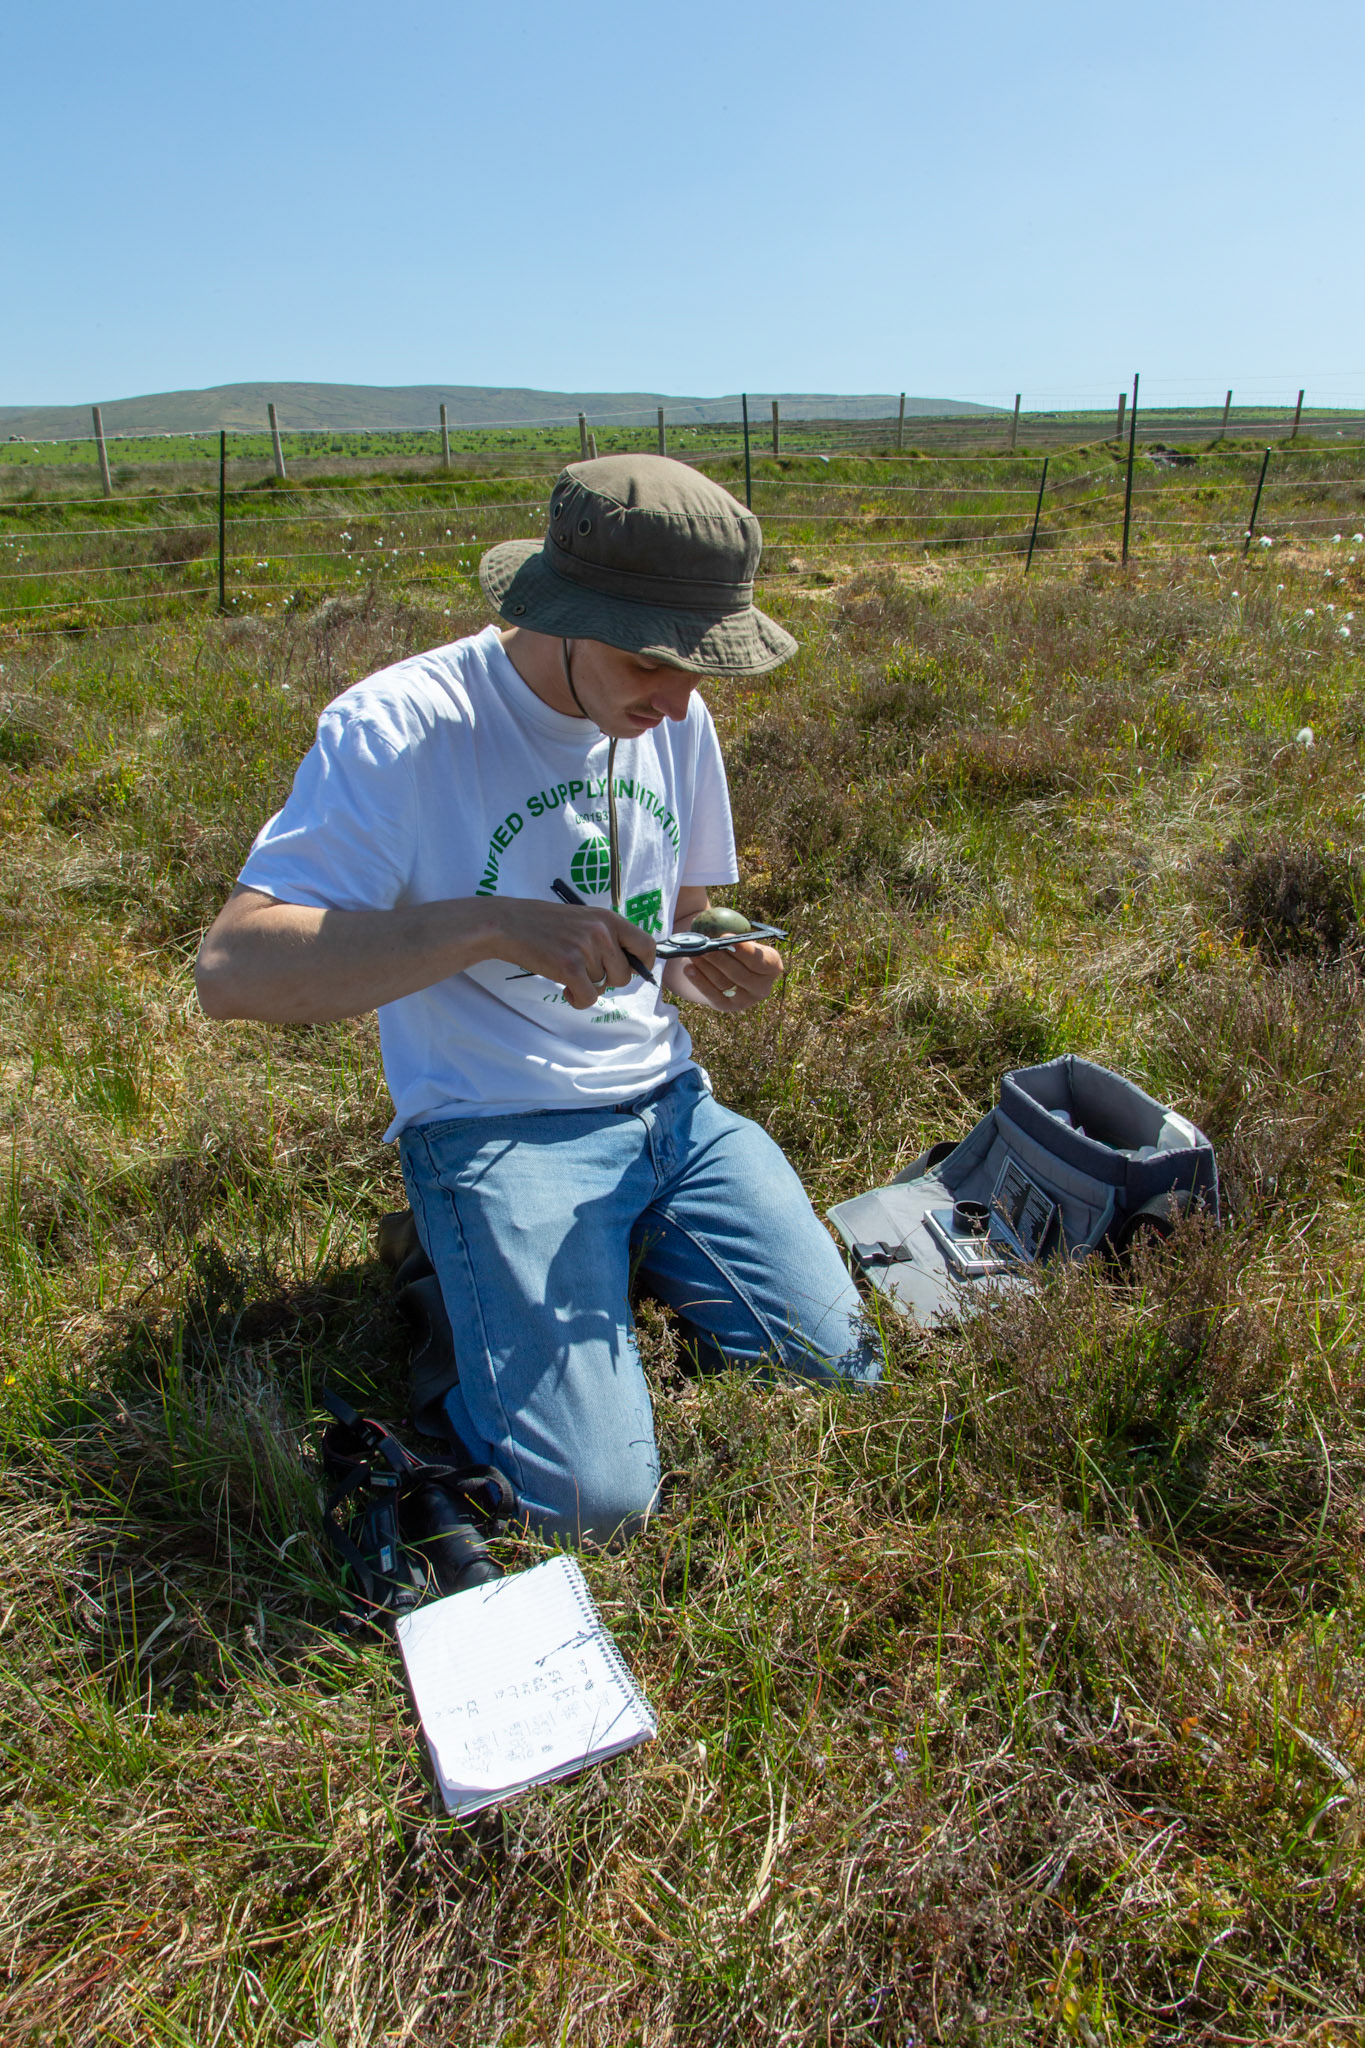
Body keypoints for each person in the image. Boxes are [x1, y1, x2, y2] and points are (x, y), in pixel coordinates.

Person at [196, 454, 879, 1543]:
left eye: (705, 670)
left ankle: (614, 1247)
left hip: (673, 1111)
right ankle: (449, 1278)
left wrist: (713, 958)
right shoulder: (402, 727)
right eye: (652, 661)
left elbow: (685, 910)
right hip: (497, 1126)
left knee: (841, 1367)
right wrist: (495, 921)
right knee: (591, 1503)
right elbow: (233, 970)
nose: (680, 699)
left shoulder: (670, 715)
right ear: (561, 612)